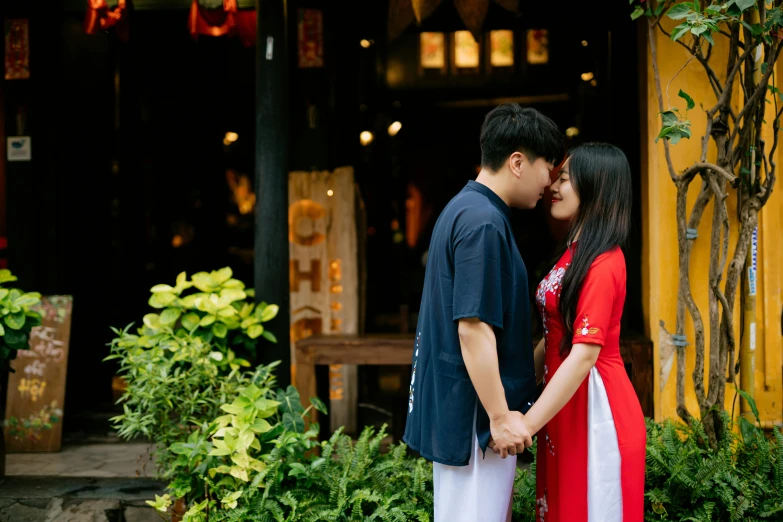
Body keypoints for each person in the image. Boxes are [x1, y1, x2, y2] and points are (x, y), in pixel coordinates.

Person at [402, 103, 565, 522]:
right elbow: (473, 329)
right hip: (478, 421)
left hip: (469, 414)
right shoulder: (484, 223)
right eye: (548, 166)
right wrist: (498, 416)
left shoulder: (466, 209)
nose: (549, 182)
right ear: (517, 162)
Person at [491, 142, 646, 521]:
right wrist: (518, 391)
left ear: (596, 185)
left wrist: (526, 423)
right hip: (563, 404)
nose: (553, 186)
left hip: (595, 407)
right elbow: (555, 332)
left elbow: (584, 354)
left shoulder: (604, 261)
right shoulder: (573, 252)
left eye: (564, 178)